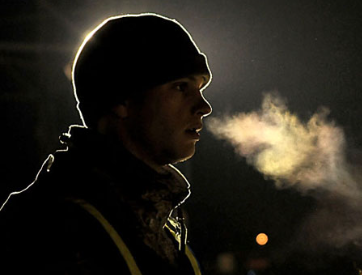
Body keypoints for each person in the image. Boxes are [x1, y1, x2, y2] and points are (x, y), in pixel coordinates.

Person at [0, 13, 212, 274]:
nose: (204, 107)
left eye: (201, 88)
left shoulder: (157, 225)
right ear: (122, 101)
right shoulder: (51, 227)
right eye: (181, 87)